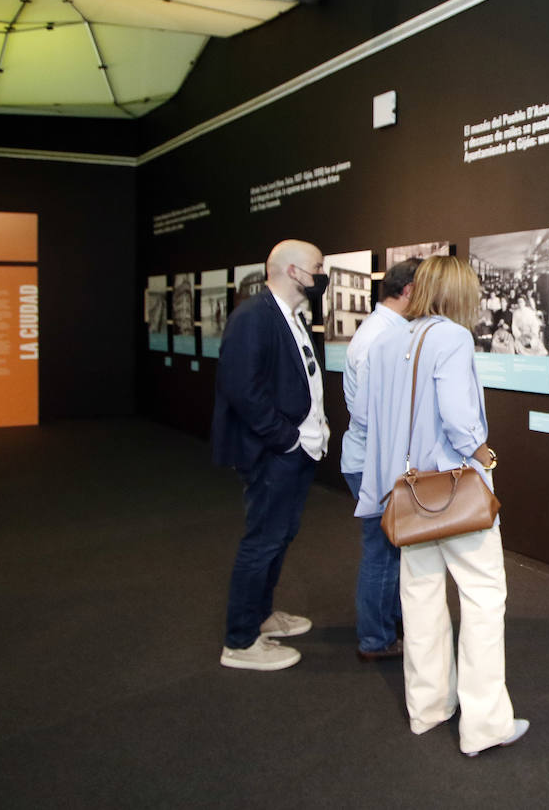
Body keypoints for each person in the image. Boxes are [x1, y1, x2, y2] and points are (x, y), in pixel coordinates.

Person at [351, 255, 529, 757]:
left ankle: (428, 709)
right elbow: (458, 416)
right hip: (453, 490)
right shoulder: (452, 337)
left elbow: (364, 416)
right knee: (483, 597)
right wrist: (483, 453)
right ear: (459, 294)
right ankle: (484, 725)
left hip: (407, 495)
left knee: (420, 598)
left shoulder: (385, 341)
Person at [211, 240, 330, 671]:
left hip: (296, 450)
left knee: (279, 536)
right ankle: (240, 641)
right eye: (318, 266)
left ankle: (260, 616)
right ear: (294, 271)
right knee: (262, 541)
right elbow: (241, 388)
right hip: (273, 452)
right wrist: (286, 438)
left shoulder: (293, 316)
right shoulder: (253, 317)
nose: (323, 275)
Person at [340, 257, 420, 661]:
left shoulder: (385, 330)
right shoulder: (381, 338)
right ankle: (376, 639)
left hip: (376, 460)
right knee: (383, 552)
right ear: (409, 291)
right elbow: (369, 414)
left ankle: (388, 629)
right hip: (374, 463)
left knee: (389, 550)